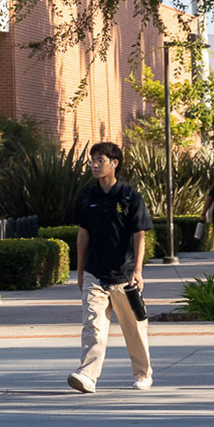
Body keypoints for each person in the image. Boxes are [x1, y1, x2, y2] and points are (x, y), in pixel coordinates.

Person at [68, 142, 154, 394]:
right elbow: (82, 235)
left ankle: (142, 374)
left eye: (100, 160)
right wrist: (81, 272)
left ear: (114, 164)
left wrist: (138, 271)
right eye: (92, 160)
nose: (94, 164)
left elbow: (140, 236)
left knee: (134, 329)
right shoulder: (87, 197)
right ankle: (87, 376)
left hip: (125, 276)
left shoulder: (130, 197)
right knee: (93, 327)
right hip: (95, 273)